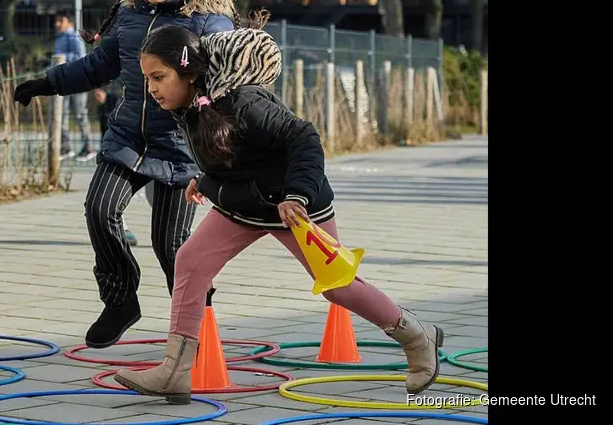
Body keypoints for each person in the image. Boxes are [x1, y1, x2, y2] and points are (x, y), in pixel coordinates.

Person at [112, 24, 446, 403]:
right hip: (246, 206)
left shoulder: (245, 104)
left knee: (337, 287)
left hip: (296, 208)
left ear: (188, 73)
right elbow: (237, 155)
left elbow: (304, 138)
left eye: (159, 77)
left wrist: (298, 196)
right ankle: (175, 370)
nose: (152, 88)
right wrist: (204, 182)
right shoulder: (191, 105)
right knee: (190, 261)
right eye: (148, 79)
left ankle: (418, 336)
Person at [13, 0, 239, 349]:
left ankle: (198, 328)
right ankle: (120, 301)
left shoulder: (209, 21)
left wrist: (224, 144)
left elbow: (230, 83)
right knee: (99, 210)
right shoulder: (132, 13)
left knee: (171, 247)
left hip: (180, 147)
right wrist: (45, 83)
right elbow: (99, 65)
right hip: (127, 138)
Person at [93, 85, 156, 247]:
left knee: (154, 188)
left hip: (153, 132)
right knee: (109, 191)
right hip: (123, 137)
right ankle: (120, 227)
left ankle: (171, 229)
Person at [53, 11, 96, 161]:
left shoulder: (74, 37)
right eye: (56, 21)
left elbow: (81, 57)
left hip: (78, 81)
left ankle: (88, 147)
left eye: (61, 21)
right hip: (64, 81)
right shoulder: (59, 38)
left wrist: (62, 59)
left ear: (70, 23)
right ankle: (66, 147)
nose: (57, 24)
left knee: (79, 114)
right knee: (62, 115)